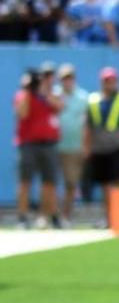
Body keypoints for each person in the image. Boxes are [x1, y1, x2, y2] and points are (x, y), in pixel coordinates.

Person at [83, 67, 119, 228]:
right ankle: (109, 218)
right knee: (104, 185)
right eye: (106, 81)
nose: (109, 84)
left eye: (112, 80)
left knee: (117, 183)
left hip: (116, 147)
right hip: (98, 148)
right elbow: (87, 127)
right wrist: (86, 147)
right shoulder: (93, 100)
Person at [14, 64, 64, 229]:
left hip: (48, 144)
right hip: (28, 144)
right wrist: (29, 90)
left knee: (49, 182)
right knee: (25, 181)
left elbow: (59, 107)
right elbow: (22, 114)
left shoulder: (51, 94)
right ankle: (22, 217)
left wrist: (45, 92)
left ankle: (49, 216)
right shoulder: (23, 95)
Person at [54, 65, 91, 226]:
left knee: (71, 184)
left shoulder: (83, 97)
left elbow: (87, 124)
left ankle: (66, 216)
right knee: (51, 183)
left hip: (74, 147)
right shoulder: (53, 95)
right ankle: (52, 216)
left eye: (69, 78)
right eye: (64, 78)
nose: (67, 81)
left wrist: (86, 146)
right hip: (53, 146)